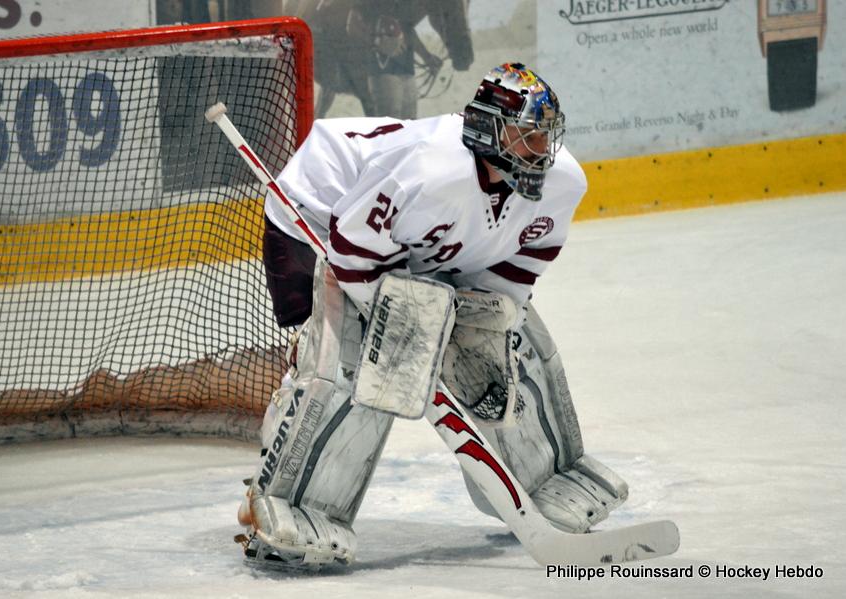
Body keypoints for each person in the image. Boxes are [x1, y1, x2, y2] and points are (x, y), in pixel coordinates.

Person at [238, 63, 629, 567]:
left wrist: (469, 325)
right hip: (319, 209)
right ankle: (285, 495)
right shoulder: (426, 169)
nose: (540, 152)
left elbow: (515, 273)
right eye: (525, 137)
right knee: (356, 364)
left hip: (408, 239)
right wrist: (409, 330)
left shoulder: (562, 183)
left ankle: (536, 478)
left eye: (544, 138)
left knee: (503, 342)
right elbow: (354, 254)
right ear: (488, 132)